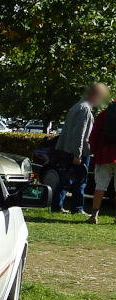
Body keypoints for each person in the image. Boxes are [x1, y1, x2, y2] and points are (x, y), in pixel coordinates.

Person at [52, 83, 109, 214]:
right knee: (80, 181)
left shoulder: (76, 106)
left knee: (65, 180)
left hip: (68, 149)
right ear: (95, 95)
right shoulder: (85, 109)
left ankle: (57, 206)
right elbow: (80, 133)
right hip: (78, 152)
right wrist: (77, 154)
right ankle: (77, 209)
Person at [86, 97, 116, 224]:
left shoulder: (104, 113)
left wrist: (94, 150)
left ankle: (94, 215)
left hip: (104, 156)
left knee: (100, 186)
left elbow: (93, 135)